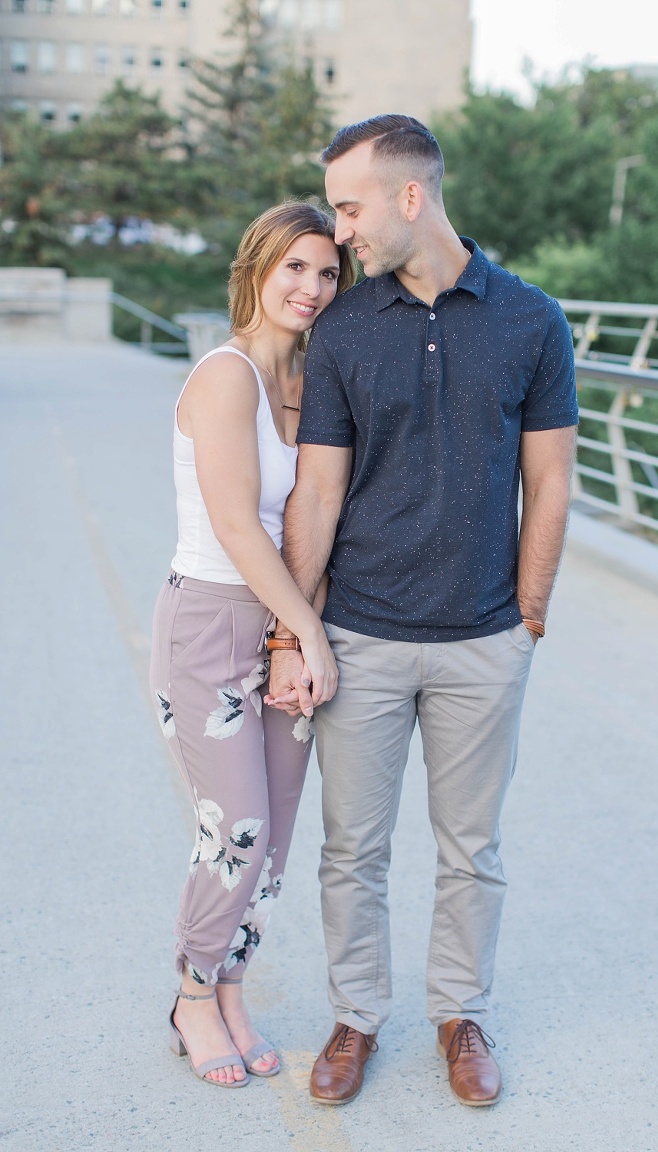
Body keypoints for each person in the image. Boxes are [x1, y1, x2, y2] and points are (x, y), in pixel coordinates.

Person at [265, 116, 579, 1107]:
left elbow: (552, 482)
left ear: (411, 196)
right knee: (351, 849)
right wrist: (293, 630)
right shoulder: (346, 329)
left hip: (484, 639)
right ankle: (356, 1018)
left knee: (469, 848)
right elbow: (317, 493)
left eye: (352, 206)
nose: (341, 231)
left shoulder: (532, 321)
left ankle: (460, 1013)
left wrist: (527, 617)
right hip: (361, 632)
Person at [149, 202, 355, 1087]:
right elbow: (238, 526)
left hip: (283, 621)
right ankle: (191, 994)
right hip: (211, 620)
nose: (311, 288)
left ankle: (233, 990)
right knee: (229, 827)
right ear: (258, 269)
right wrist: (307, 631)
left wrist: (298, 628)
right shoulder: (226, 375)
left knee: (272, 840)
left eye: (327, 272)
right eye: (295, 269)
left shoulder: (312, 379)